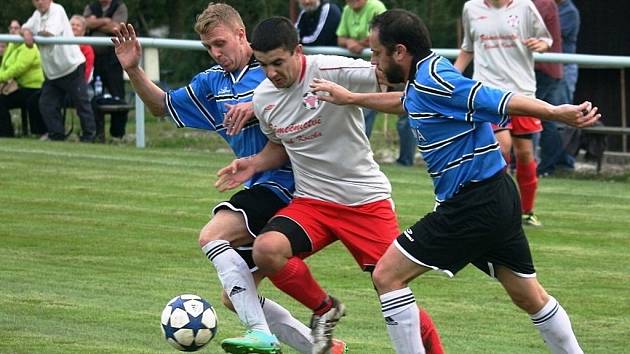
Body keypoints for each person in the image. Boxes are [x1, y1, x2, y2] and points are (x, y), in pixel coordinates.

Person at [310, 9, 597, 353]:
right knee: (529, 296)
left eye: (377, 53)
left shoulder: (436, 78)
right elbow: (409, 102)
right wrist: (353, 98)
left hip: (472, 203)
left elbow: (495, 98)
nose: (374, 61)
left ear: (399, 51)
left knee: (387, 275)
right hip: (497, 196)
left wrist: (554, 111)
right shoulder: (424, 78)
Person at [111, 4, 347, 354]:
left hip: (294, 184)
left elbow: (306, 96)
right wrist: (133, 69)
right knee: (235, 294)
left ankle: (261, 334)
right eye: (208, 47)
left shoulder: (276, 67)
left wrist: (258, 107)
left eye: (221, 43)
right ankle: (323, 349)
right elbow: (162, 106)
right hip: (261, 187)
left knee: (212, 234)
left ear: (241, 34)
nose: (216, 53)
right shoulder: (212, 84)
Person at [215, 16, 443, 354]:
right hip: (313, 203)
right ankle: (325, 310)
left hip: (365, 201)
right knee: (267, 250)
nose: (272, 73)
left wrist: (352, 98)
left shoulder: (334, 71)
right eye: (264, 65)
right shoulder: (263, 99)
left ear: (298, 51)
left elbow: (402, 94)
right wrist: (253, 164)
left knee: (393, 292)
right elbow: (279, 147)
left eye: (278, 62)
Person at [454, 0, 551, 227]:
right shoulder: (471, 8)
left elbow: (546, 39)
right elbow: (468, 47)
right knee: (501, 146)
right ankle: (497, 207)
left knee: (525, 153)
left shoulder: (525, 7)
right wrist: (450, 76)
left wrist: (541, 44)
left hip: (522, 91)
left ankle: (526, 211)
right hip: (487, 92)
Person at [21, 0, 96, 142]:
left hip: (71, 67)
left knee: (82, 104)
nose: (39, 2)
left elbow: (49, 34)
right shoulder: (36, 15)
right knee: (46, 104)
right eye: (36, 0)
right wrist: (26, 32)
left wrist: (31, 34)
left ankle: (90, 137)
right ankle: (57, 135)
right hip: (53, 73)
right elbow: (24, 28)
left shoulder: (58, 10)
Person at [336, 0, 386, 138]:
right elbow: (340, 38)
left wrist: (356, 44)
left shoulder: (376, 6)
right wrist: (349, 42)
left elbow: (381, 36)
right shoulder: (347, 9)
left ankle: (404, 158)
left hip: (377, 68)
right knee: (355, 110)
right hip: (355, 69)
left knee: (367, 110)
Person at [84, 0, 129, 142]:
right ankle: (98, 133)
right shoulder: (91, 7)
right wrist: (105, 21)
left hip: (113, 60)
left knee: (118, 96)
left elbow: (116, 28)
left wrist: (95, 22)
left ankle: (117, 135)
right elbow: (85, 23)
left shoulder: (120, 6)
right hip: (93, 60)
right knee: (94, 96)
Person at [532, 0, 565, 176]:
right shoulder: (547, 3)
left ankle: (532, 164)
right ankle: (547, 167)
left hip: (541, 69)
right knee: (548, 118)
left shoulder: (541, 4)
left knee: (530, 115)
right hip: (550, 69)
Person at [0, 19, 46, 138]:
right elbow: (5, 66)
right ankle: (6, 133)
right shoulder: (11, 45)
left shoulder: (29, 46)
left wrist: (1, 77)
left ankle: (6, 134)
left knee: (1, 101)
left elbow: (18, 68)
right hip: (20, 87)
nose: (13, 31)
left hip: (33, 88)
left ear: (22, 30)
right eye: (11, 28)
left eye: (16, 28)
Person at [69, 15, 95, 83]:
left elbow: (87, 70)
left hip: (79, 83)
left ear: (83, 30)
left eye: (78, 25)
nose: (74, 27)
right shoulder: (61, 44)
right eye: (72, 24)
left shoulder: (87, 48)